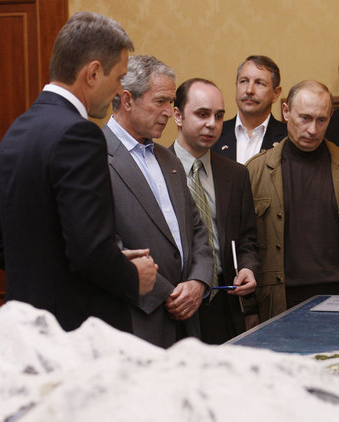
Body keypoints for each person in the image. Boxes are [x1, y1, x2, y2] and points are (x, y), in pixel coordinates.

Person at [0, 12, 157, 333]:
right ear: (93, 72)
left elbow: (3, 249)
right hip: (74, 329)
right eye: (119, 77)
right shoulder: (79, 135)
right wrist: (134, 276)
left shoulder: (16, 130)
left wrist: (114, 258)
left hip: (22, 329)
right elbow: (87, 253)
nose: (120, 90)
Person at [246, 80, 339, 322]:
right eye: (304, 118)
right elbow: (245, 243)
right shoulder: (256, 171)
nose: (313, 129)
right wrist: (250, 307)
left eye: (321, 120)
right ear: (285, 112)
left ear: (330, 117)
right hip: (281, 303)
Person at [101, 56, 213, 348]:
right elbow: (101, 243)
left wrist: (198, 283)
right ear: (127, 100)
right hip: (137, 320)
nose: (169, 112)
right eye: (161, 101)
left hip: (188, 320)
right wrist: (168, 293)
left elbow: (198, 230)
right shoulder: (96, 156)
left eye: (172, 102)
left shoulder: (168, 158)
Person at [171, 78, 259, 344]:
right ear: (177, 115)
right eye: (202, 114)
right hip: (178, 303)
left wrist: (249, 268)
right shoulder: (157, 169)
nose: (212, 124)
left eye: (219, 116)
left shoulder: (235, 174)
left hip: (225, 303)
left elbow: (248, 239)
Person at [211, 55, 287, 163]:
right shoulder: (214, 134)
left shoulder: (288, 138)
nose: (249, 90)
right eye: (244, 81)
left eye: (259, 83)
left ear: (275, 93)